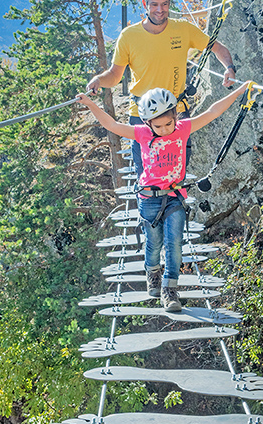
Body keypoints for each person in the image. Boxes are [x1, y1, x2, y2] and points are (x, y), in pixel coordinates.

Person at [76, 81, 253, 312]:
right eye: (158, 126)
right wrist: (90, 104)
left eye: (169, 123)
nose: (164, 130)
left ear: (175, 117)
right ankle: (152, 273)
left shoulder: (182, 128)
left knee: (175, 244)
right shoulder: (140, 133)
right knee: (154, 244)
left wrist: (240, 91)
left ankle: (170, 291)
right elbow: (111, 124)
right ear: (147, 123)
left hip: (174, 197)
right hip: (148, 199)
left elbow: (213, 111)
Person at [86, 0, 237, 177]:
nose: (160, 10)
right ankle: (150, 208)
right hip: (142, 116)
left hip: (175, 113)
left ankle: (174, 208)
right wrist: (98, 80)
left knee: (177, 174)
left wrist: (229, 67)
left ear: (169, 4)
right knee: (147, 176)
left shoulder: (183, 29)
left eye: (164, 4)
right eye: (154, 4)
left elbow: (217, 48)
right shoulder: (129, 37)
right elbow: (114, 75)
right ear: (144, 3)